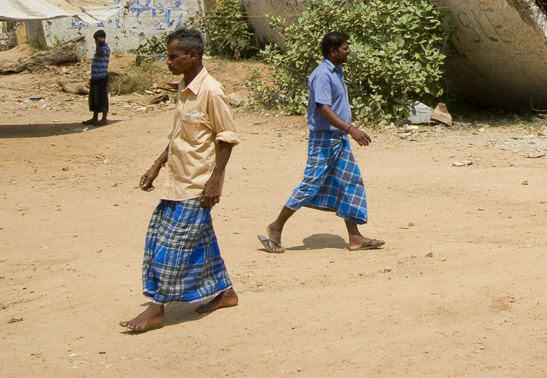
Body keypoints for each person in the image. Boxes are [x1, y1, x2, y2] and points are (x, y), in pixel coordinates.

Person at [120, 27, 240, 333]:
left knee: (171, 245)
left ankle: (157, 307)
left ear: (193, 56)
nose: (168, 61)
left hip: (196, 183)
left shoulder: (211, 91)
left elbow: (226, 139)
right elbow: (179, 136)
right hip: (177, 179)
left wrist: (215, 181)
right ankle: (225, 292)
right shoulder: (184, 88)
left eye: (173, 56)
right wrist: (157, 165)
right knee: (194, 240)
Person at [260, 31, 384, 253]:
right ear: (332, 51)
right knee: (310, 185)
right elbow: (323, 109)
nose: (348, 51)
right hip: (324, 140)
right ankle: (276, 227)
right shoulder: (322, 75)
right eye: (345, 48)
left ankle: (355, 237)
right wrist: (351, 128)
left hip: (339, 139)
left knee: (350, 183)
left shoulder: (337, 71)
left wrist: (346, 132)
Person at [85, 29, 111, 126]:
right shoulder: (99, 48)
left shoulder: (105, 48)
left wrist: (98, 44)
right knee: (94, 99)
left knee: (102, 99)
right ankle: (95, 118)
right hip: (95, 77)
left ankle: (104, 119)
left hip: (101, 77)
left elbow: (100, 53)